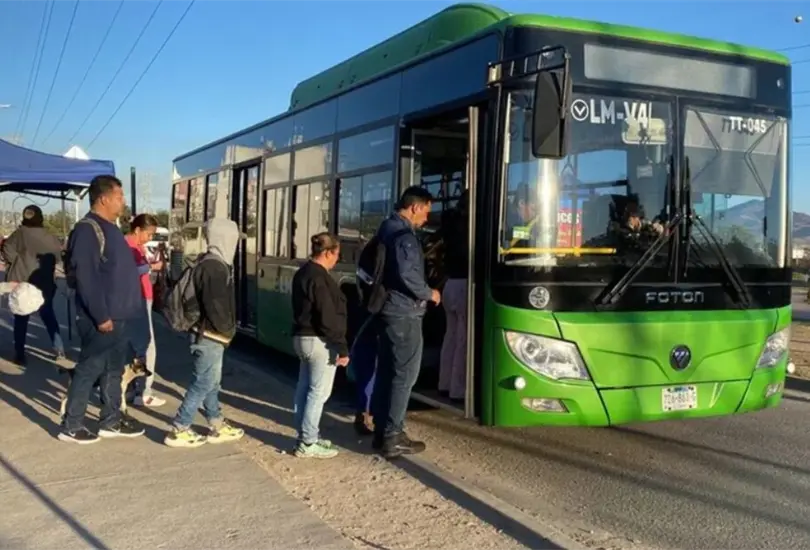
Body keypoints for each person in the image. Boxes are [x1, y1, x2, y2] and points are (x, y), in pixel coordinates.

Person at [61, 175, 146, 444]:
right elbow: (87, 277)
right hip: (103, 318)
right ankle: (72, 425)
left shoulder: (110, 228)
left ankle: (110, 419)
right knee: (89, 369)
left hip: (119, 316)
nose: (122, 201)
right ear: (103, 198)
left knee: (113, 370)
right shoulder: (88, 230)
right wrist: (101, 315)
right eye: (119, 196)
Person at [370, 186, 440, 459]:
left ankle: (380, 431)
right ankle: (393, 435)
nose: (426, 219)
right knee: (405, 376)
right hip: (404, 312)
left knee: (387, 371)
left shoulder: (386, 228)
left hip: (388, 310)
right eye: (425, 212)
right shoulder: (405, 237)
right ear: (414, 207)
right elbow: (408, 275)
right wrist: (429, 293)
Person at [164, 218, 245, 448]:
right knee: (203, 382)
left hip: (205, 334)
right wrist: (228, 331)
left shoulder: (207, 262)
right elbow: (216, 306)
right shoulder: (215, 268)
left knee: (211, 382)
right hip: (209, 335)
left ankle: (216, 423)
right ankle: (179, 427)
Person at [290, 232, 349, 458]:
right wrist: (341, 347)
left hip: (301, 338)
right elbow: (327, 317)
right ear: (327, 253)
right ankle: (308, 441)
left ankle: (304, 435)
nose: (337, 259)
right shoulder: (320, 277)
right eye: (337, 255)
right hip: (318, 341)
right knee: (318, 393)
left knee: (304, 388)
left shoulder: (303, 273)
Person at [1, 204, 65, 366]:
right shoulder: (49, 236)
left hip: (23, 281)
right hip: (44, 283)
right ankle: (59, 350)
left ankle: (20, 354)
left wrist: (17, 261)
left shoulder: (19, 233)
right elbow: (57, 256)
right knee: (48, 315)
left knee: (21, 317)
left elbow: (7, 249)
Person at [125, 213, 166, 408]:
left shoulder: (135, 246)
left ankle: (132, 389)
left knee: (132, 346)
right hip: (139, 298)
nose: (150, 238)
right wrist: (151, 267)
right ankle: (144, 391)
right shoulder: (129, 246)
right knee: (147, 346)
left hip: (139, 297)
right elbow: (132, 270)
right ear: (138, 230)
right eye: (149, 234)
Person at [438, 191, 469, 403]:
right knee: (463, 339)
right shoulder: (468, 227)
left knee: (450, 336)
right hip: (464, 284)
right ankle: (458, 389)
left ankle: (444, 383)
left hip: (449, 285)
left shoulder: (450, 224)